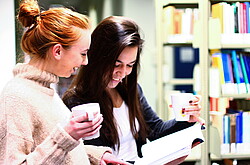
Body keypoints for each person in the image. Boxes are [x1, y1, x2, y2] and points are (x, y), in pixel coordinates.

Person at [0, 1, 130, 164]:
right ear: (58, 51)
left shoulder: (46, 91)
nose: (86, 62)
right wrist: (66, 136)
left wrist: (95, 156)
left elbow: (53, 149)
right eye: (83, 54)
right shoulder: (16, 97)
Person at [62, 16, 203, 164]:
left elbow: (155, 129)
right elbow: (85, 154)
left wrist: (185, 119)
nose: (123, 73)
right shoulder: (77, 101)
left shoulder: (131, 89)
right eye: (117, 65)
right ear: (98, 57)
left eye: (130, 65)